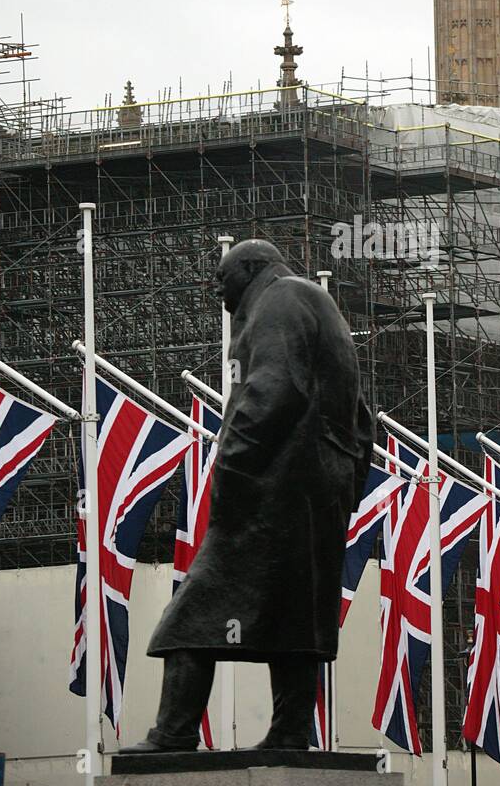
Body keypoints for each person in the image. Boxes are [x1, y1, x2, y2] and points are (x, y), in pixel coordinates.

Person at [125, 239, 372, 753]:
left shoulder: (280, 299)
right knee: (297, 618)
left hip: (271, 489)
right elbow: (362, 419)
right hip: (315, 492)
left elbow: (273, 389)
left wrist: (232, 463)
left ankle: (174, 732)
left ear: (254, 267)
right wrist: (343, 489)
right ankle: (290, 733)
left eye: (223, 275)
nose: (216, 287)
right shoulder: (317, 306)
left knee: (190, 616)